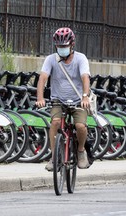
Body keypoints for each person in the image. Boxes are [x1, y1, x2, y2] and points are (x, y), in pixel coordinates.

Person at [36, 27, 91, 171]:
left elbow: (85, 77)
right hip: (58, 100)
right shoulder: (51, 59)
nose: (62, 49)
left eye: (64, 46)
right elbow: (43, 78)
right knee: (54, 122)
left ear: (72, 45)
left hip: (78, 100)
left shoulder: (81, 58)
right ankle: (54, 157)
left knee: (80, 126)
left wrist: (85, 97)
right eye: (59, 46)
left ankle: (80, 151)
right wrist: (40, 98)